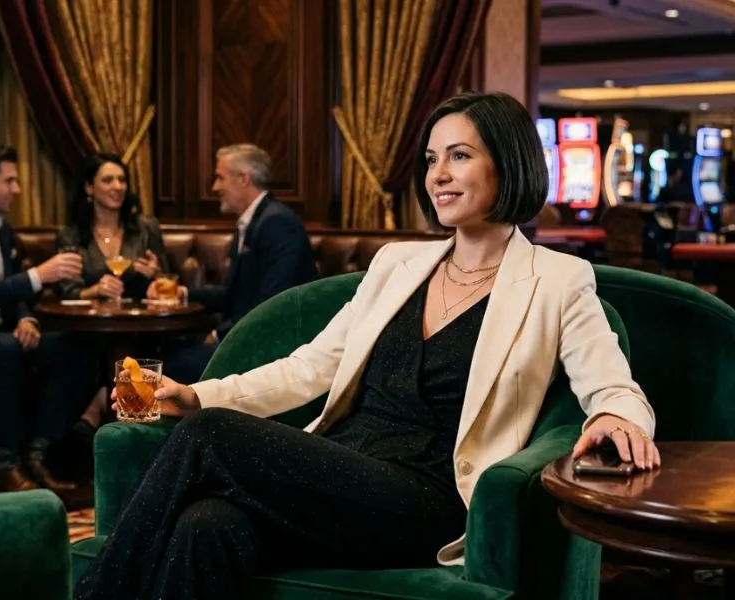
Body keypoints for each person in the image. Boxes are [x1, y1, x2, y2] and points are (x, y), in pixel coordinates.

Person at [74, 93, 659, 600]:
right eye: (432, 159)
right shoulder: (397, 264)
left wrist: (617, 415)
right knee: (206, 525)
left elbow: (611, 382)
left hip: (428, 496)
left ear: (508, 163)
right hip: (343, 468)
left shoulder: (558, 279)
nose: (438, 175)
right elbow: (311, 366)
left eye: (459, 155)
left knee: (208, 433)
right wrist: (196, 393)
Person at [0, 142, 98, 493]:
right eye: (9, 181)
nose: (17, 190)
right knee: (5, 349)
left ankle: (39, 452)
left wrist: (26, 319)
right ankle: (6, 465)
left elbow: (10, 296)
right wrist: (39, 276)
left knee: (76, 349)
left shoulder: (2, 229)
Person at [152, 143, 317, 383]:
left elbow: (272, 303)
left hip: (269, 347)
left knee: (172, 365)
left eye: (220, 178)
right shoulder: (253, 221)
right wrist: (182, 293)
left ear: (244, 179)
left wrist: (220, 335)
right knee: (161, 349)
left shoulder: (278, 224)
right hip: (245, 336)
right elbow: (233, 293)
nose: (215, 187)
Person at [55, 152, 169, 301]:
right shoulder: (70, 236)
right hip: (91, 320)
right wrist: (95, 291)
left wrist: (156, 275)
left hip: (140, 317)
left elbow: (169, 284)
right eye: (108, 180)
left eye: (122, 180)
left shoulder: (147, 228)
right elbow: (68, 292)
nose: (118, 186)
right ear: (89, 188)